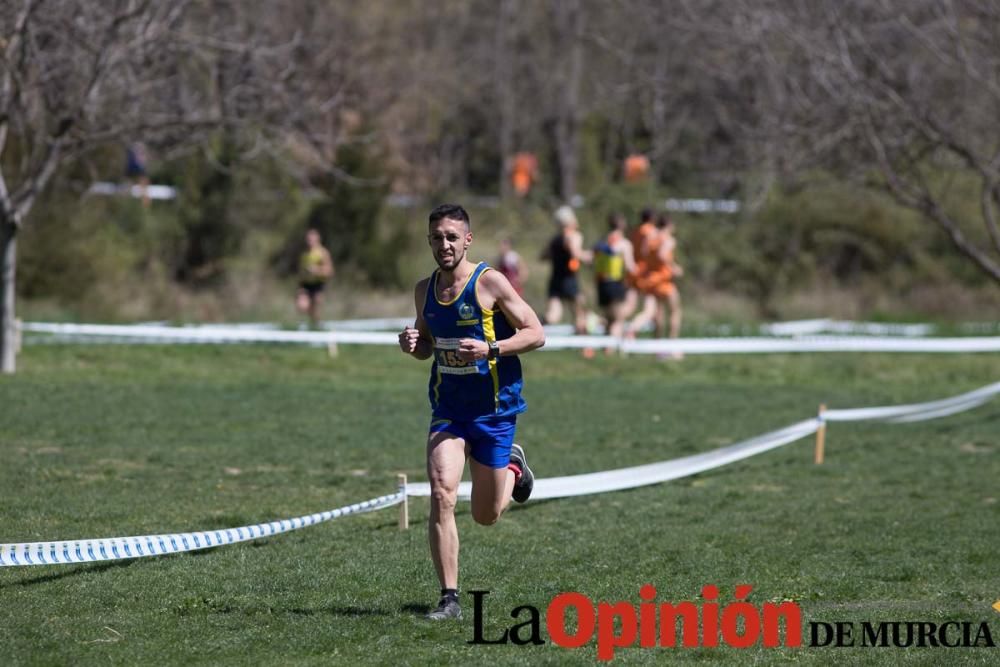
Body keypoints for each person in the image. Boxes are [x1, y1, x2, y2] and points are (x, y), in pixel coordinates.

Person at [398, 204, 545, 621]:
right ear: (428, 241)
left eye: (451, 236)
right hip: (449, 410)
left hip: (494, 413)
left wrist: (492, 348)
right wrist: (414, 345)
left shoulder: (490, 282)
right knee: (442, 492)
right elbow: (427, 344)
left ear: (467, 239)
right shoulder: (423, 290)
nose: (443, 244)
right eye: (435, 237)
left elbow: (536, 333)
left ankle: (514, 467)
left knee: (486, 516)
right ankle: (449, 599)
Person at [627, 211, 683, 356]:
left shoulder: (651, 236)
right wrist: (673, 267)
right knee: (675, 311)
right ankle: (672, 346)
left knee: (658, 314)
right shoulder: (668, 239)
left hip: (650, 279)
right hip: (663, 280)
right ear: (669, 225)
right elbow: (662, 255)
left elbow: (644, 253)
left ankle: (658, 347)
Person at [540, 205, 591, 333]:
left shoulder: (555, 240)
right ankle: (585, 347)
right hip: (569, 279)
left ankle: (531, 328)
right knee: (580, 313)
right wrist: (590, 256)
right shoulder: (574, 236)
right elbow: (575, 253)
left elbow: (543, 256)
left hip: (555, 279)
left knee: (553, 316)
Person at [592, 213, 637, 353]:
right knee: (618, 319)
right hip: (615, 283)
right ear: (622, 225)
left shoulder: (602, 242)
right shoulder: (624, 243)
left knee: (609, 318)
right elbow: (630, 267)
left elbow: (592, 259)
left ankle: (605, 347)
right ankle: (609, 350)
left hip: (601, 284)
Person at [296, 228, 334, 328]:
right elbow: (301, 271)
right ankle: (303, 325)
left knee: (315, 308)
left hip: (318, 284)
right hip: (306, 283)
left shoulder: (322, 253)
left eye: (311, 239)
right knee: (301, 305)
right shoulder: (304, 254)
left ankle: (317, 324)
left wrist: (316, 270)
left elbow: (329, 271)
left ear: (317, 240)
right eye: (308, 239)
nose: (309, 242)